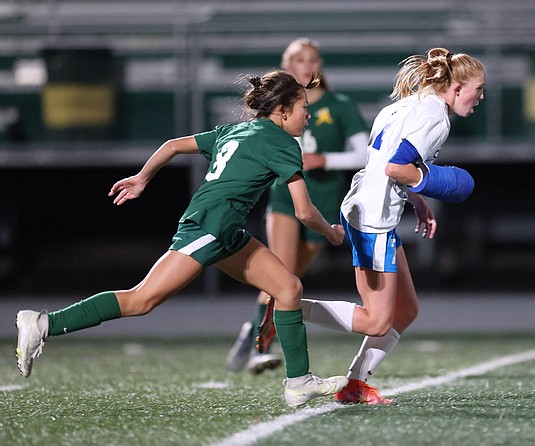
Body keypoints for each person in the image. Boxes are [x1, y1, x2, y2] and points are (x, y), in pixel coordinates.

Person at [14, 69, 349, 409]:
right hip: (210, 228)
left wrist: (143, 178)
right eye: (303, 106)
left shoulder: (235, 131)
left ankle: (298, 382)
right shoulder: (281, 142)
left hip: (226, 230)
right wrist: (332, 232)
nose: (308, 115)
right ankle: (43, 323)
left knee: (288, 288)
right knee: (141, 300)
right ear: (281, 110)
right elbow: (304, 213)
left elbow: (172, 145)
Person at [259, 48, 484, 404]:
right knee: (377, 321)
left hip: (369, 208)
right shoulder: (437, 118)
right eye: (478, 88)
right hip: (374, 219)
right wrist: (435, 183)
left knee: (405, 311)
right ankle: (290, 307)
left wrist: (417, 199)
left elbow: (384, 162)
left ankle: (354, 384)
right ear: (456, 87)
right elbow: (397, 168)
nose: (480, 97)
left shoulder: (405, 105)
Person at [226, 37, 369, 375]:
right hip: (287, 199)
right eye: (299, 59)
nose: (306, 66)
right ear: (286, 66)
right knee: (282, 274)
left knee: (288, 280)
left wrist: (324, 159)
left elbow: (364, 154)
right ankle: (263, 347)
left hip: (325, 202)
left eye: (312, 59)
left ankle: (251, 329)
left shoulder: (339, 104)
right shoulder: (278, 106)